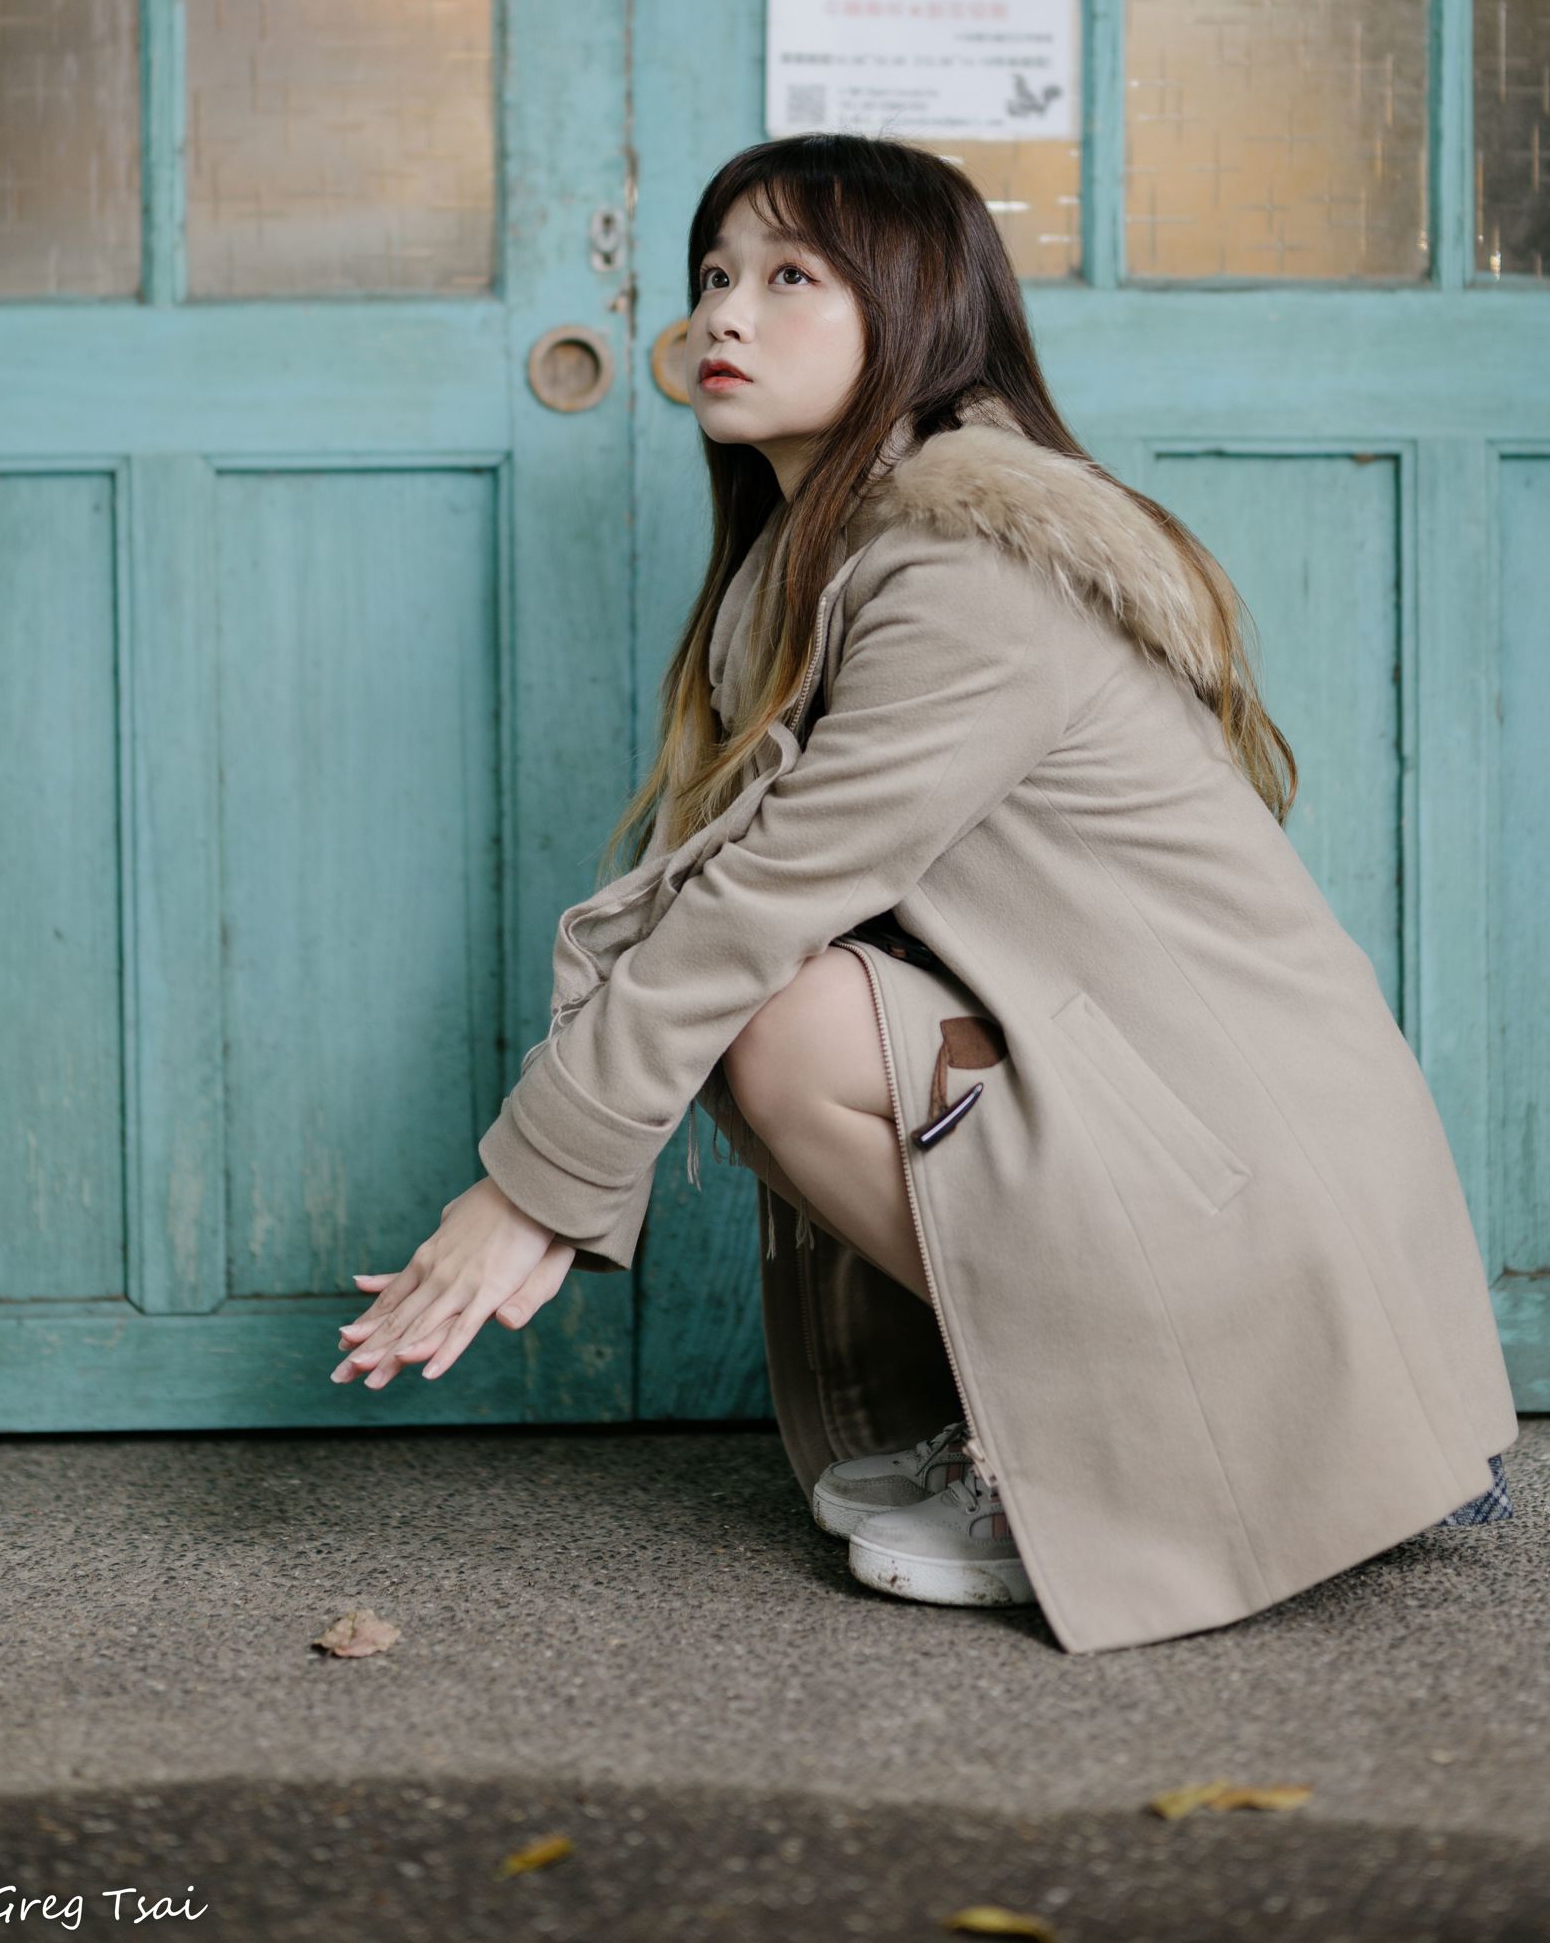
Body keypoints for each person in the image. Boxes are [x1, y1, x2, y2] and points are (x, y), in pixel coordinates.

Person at [332, 134, 1516, 1655]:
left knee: (778, 1019)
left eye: (791, 278)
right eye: (714, 275)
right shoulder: (821, 561)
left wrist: (531, 1187)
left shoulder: (969, 573)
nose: (722, 315)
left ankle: (1136, 1444)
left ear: (915, 311)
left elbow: (755, 904)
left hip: (1255, 1184)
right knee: (771, 1010)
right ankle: (1063, 1421)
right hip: (1176, 1125)